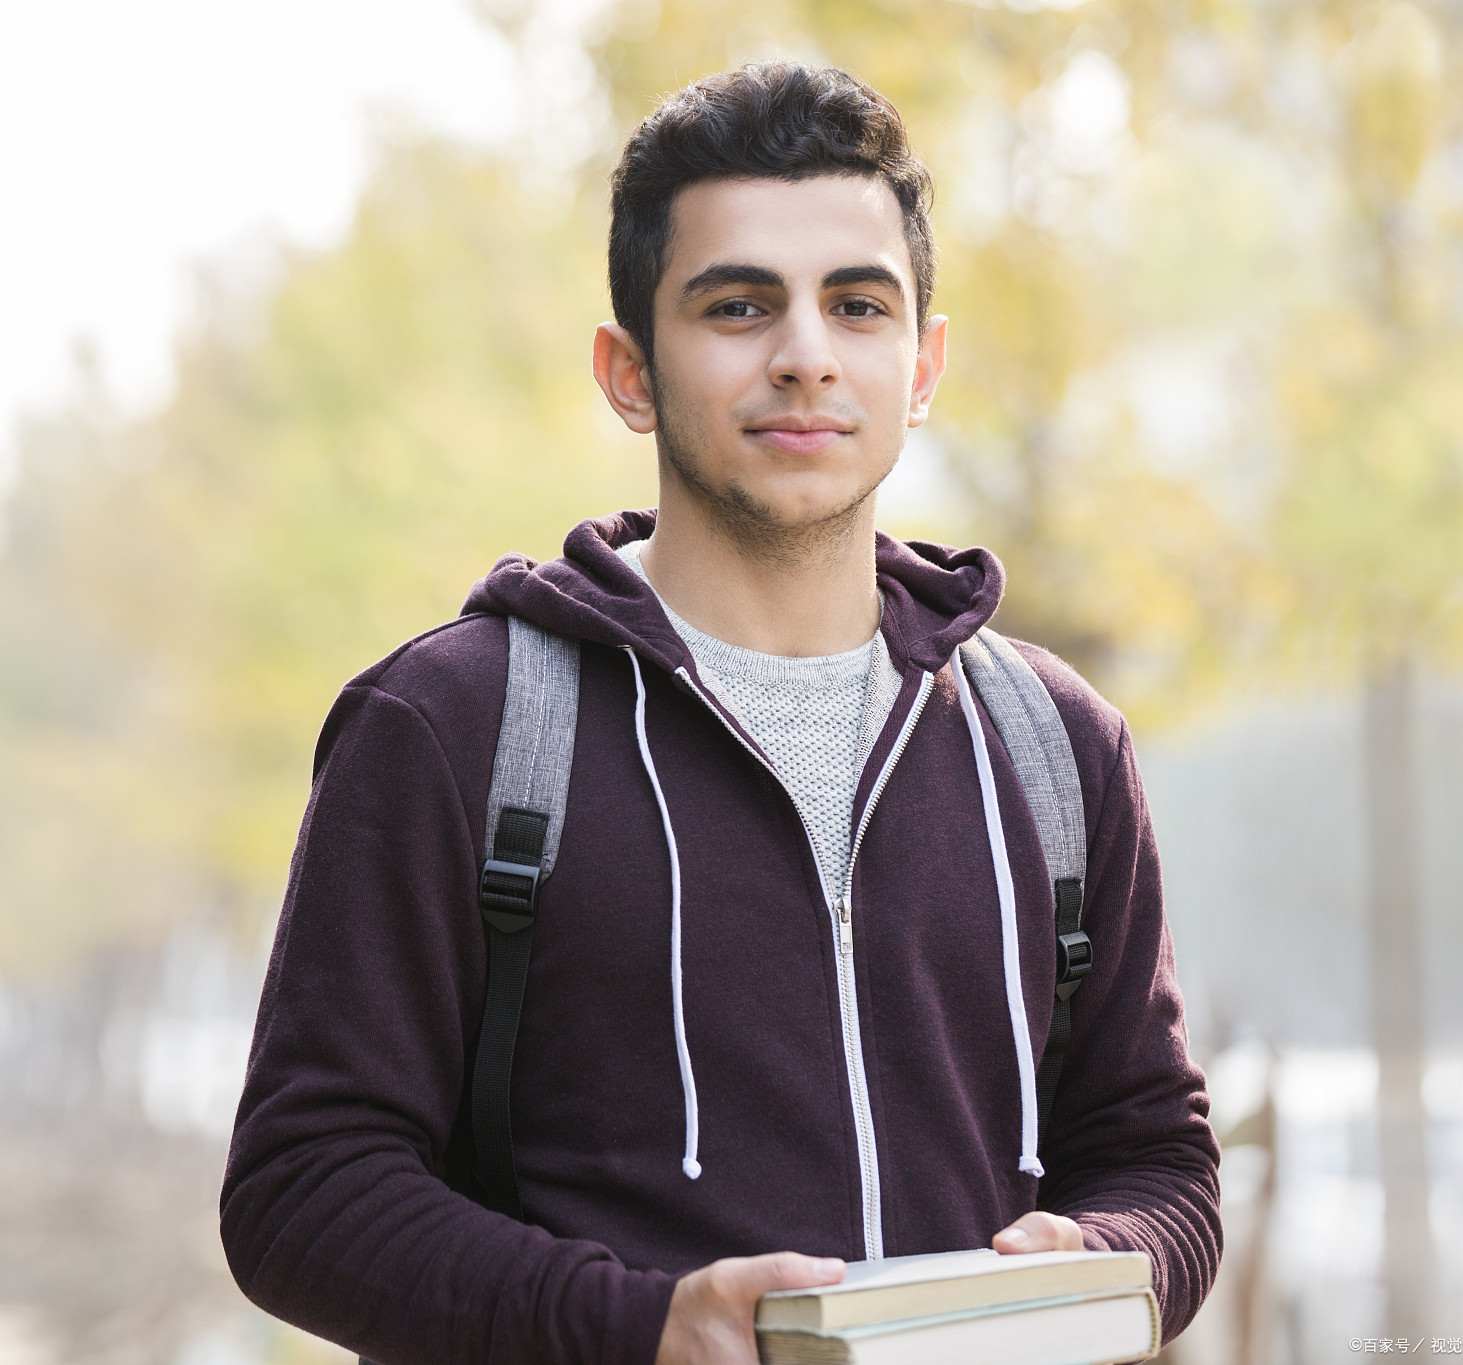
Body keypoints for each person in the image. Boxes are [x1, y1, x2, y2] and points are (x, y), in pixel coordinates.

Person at [220, 62, 1221, 1364]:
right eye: (739, 305)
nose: (805, 354)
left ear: (920, 364)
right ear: (630, 373)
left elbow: (1160, 1159)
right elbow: (302, 1189)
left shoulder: (1052, 745)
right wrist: (640, 1327)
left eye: (856, 305)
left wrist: (1102, 1258)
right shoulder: (453, 725)